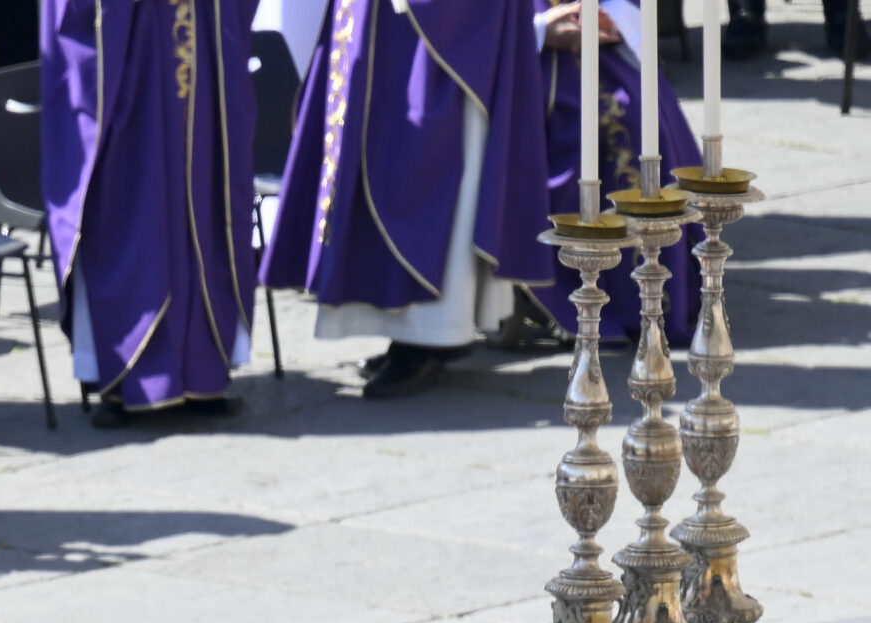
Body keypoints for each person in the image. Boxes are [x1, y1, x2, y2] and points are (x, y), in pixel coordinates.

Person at [263, 0, 551, 400]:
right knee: (380, 157)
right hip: (383, 27)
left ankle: (432, 334)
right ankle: (412, 335)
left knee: (430, 159)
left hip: (441, 31)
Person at [42, 0, 260, 428]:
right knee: (130, 206)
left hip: (201, 37)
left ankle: (203, 373)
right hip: (129, 58)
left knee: (202, 199)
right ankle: (124, 378)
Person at [531, 0, 696, 346]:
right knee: (575, 128)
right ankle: (555, 284)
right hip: (526, 63)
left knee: (637, 121)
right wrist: (537, 30)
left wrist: (611, 17)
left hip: (601, 46)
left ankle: (643, 290)